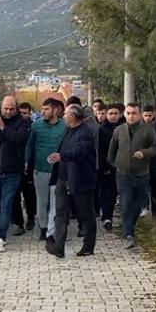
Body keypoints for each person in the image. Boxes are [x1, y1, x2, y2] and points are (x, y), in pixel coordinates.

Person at [0, 96, 31, 254]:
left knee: (6, 204)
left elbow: (20, 140)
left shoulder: (23, 123)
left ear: (16, 109)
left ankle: (1, 237)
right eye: (5, 109)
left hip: (12, 171)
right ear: (0, 107)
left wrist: (4, 128)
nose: (8, 112)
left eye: (11, 109)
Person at [46, 104, 97, 258]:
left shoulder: (85, 132)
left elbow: (80, 152)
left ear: (73, 116)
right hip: (63, 178)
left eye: (66, 113)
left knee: (86, 214)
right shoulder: (68, 129)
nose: (63, 116)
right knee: (60, 213)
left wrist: (62, 156)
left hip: (80, 180)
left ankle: (88, 245)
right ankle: (59, 247)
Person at [108, 102, 156, 249]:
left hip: (141, 174)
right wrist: (115, 164)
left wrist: (144, 153)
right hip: (123, 174)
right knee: (125, 203)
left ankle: (130, 224)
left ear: (139, 115)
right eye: (128, 113)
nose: (131, 116)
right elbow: (112, 151)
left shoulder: (147, 130)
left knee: (137, 204)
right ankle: (129, 233)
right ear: (125, 114)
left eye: (134, 113)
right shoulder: (119, 130)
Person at [25, 97, 66, 241]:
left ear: (56, 110)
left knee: (56, 202)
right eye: (42, 108)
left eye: (47, 109)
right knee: (42, 201)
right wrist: (26, 162)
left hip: (58, 171)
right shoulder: (36, 126)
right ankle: (43, 227)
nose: (43, 111)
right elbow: (30, 145)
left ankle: (53, 229)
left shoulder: (65, 126)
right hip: (40, 169)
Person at [97, 103, 124, 232]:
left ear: (120, 114)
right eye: (111, 114)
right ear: (106, 115)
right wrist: (104, 167)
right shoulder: (101, 130)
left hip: (123, 167)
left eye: (115, 113)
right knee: (108, 193)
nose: (113, 116)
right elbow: (100, 151)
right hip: (108, 167)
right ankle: (107, 218)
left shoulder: (125, 128)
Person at [12, 101, 37, 234]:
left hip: (29, 166)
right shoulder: (13, 126)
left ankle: (31, 217)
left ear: (29, 113)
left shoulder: (33, 127)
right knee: (15, 195)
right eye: (20, 113)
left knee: (29, 194)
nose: (22, 116)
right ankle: (18, 222)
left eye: (25, 113)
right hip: (15, 165)